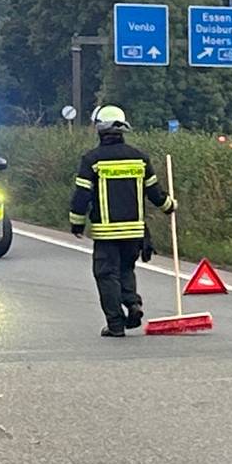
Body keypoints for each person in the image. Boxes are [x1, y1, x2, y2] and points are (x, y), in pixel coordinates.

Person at [68, 104, 173, 336]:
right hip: (134, 231)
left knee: (106, 275)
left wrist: (76, 223)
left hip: (107, 232)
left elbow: (81, 195)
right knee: (126, 269)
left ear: (99, 128)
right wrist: (170, 206)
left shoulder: (92, 159)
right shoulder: (139, 158)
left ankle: (116, 325)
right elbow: (155, 194)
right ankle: (133, 303)